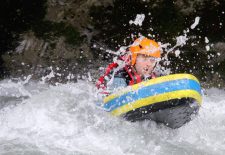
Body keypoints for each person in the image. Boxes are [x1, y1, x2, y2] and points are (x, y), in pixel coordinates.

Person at [96, 36, 161, 95]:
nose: (149, 64)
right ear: (134, 57)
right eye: (144, 57)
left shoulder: (155, 75)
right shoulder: (119, 77)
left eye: (152, 60)